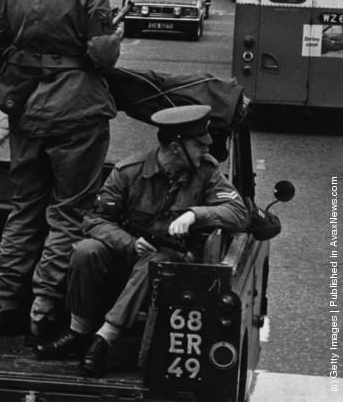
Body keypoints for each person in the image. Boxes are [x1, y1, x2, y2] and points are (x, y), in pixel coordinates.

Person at [0, 0, 122, 339]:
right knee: (68, 211)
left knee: (25, 208)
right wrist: (111, 37)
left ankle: (3, 303)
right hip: (76, 112)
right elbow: (102, 55)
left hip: (26, 109)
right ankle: (43, 309)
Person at [34, 105, 250, 377]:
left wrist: (195, 214)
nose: (204, 151)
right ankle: (79, 332)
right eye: (197, 145)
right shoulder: (129, 172)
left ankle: (104, 339)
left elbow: (239, 214)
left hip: (173, 265)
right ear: (175, 147)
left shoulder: (205, 172)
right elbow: (94, 220)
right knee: (86, 251)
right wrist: (129, 243)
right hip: (130, 254)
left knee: (157, 263)